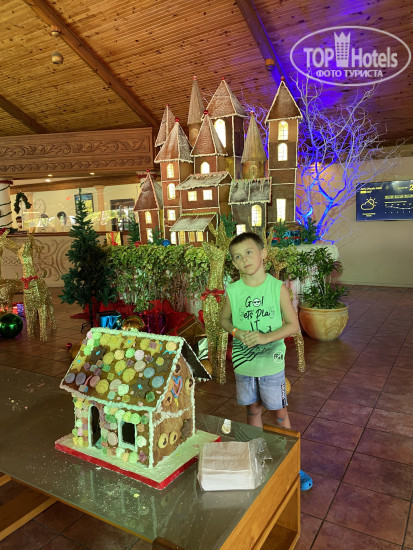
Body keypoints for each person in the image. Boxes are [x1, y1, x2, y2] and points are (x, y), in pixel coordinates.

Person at [220, 231, 313, 491]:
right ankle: (257, 459)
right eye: (237, 257)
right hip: (244, 365)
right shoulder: (234, 290)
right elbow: (224, 320)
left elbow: (293, 325)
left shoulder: (276, 288)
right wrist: (237, 333)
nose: (244, 259)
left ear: (263, 253)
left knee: (280, 414)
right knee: (252, 410)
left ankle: (292, 466)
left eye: (249, 252)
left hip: (271, 364)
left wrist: (264, 338)